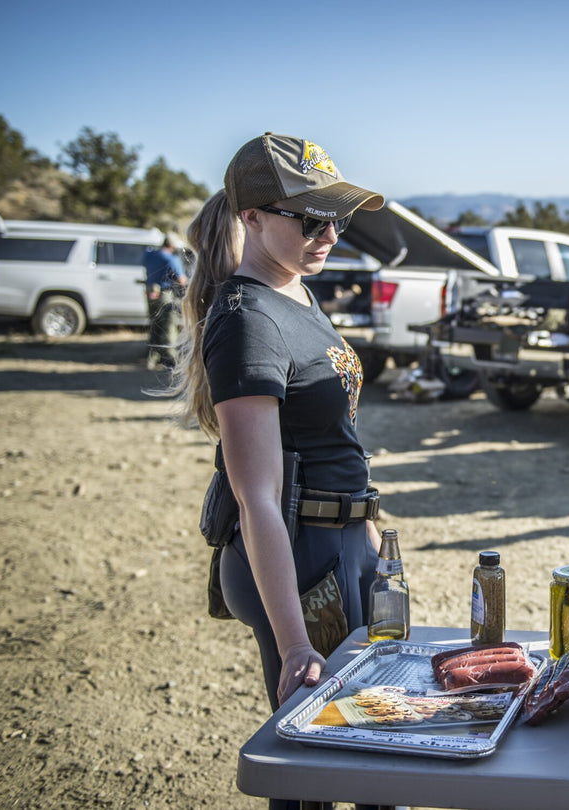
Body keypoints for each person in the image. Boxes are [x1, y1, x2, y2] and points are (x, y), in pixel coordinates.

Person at [172, 133, 387, 810]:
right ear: (253, 217)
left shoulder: (295, 291)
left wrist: (372, 543)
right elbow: (256, 494)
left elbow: (333, 438)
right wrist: (295, 643)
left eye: (337, 219)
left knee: (375, 744)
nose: (328, 234)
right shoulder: (245, 317)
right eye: (310, 218)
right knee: (321, 757)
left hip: (341, 547)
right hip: (299, 558)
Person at [141, 233, 189, 369]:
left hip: (150, 293)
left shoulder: (149, 255)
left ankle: (152, 358)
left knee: (154, 324)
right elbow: (182, 279)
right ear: (172, 245)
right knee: (168, 326)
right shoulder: (171, 259)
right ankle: (170, 358)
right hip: (165, 295)